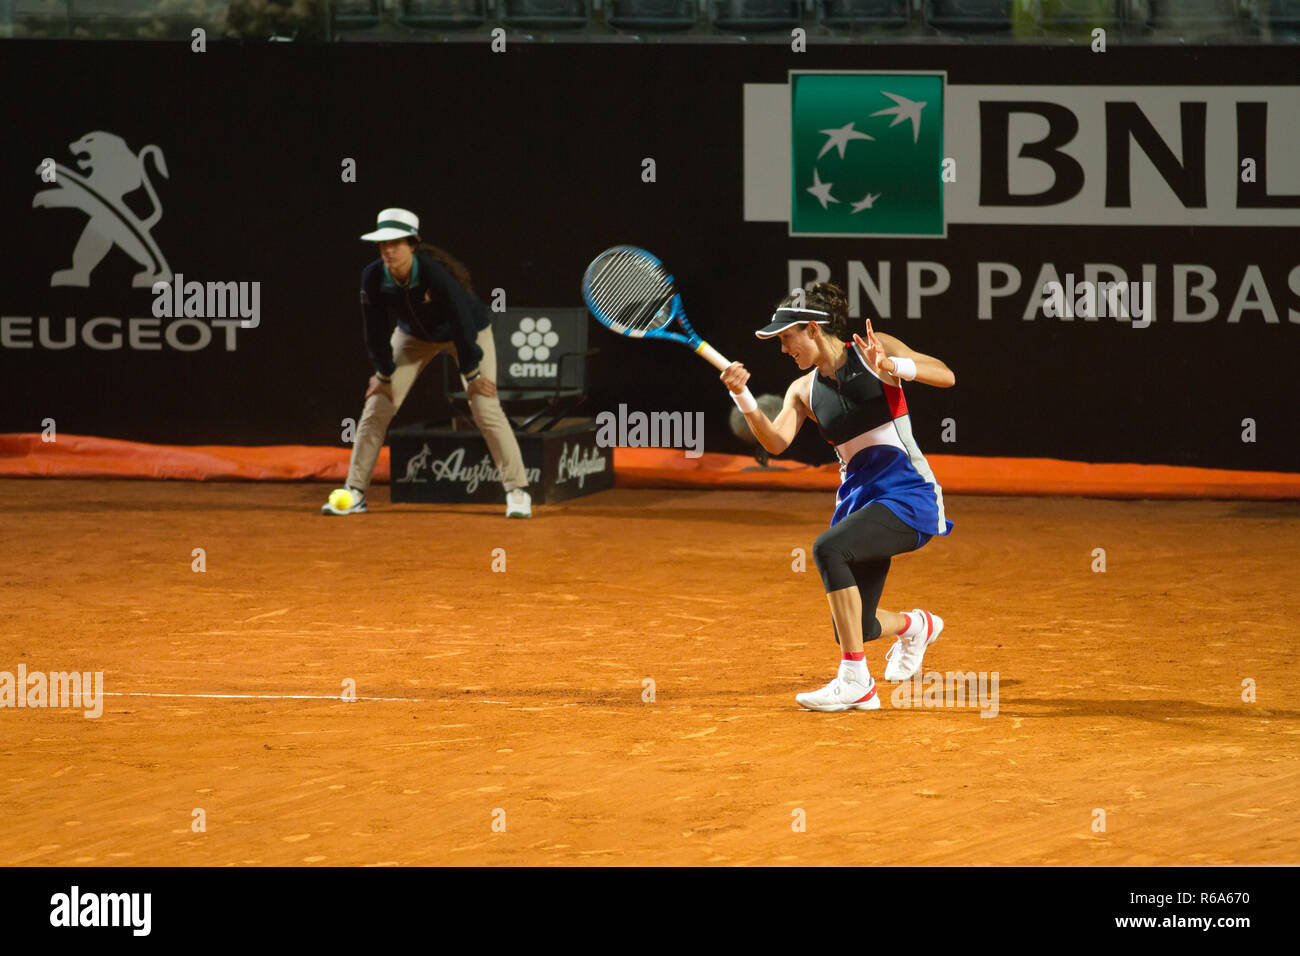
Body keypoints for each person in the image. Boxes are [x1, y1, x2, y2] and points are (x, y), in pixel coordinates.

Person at [720, 282, 954, 712]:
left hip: (909, 495)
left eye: (786, 338)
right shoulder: (801, 390)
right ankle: (915, 626)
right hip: (860, 505)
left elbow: (945, 374)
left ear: (811, 329)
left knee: (829, 549)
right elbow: (774, 443)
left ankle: (856, 682)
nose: (783, 348)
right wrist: (742, 394)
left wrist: (895, 366)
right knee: (858, 624)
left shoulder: (873, 347)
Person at [322, 207, 532, 518]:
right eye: (383, 244)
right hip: (413, 338)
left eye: (395, 243)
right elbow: (375, 328)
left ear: (412, 244)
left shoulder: (435, 275)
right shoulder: (373, 276)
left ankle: (517, 491)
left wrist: (472, 371)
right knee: (378, 404)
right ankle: (354, 491)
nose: (388, 251)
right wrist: (383, 372)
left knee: (485, 406)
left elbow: (461, 322)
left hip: (467, 332)